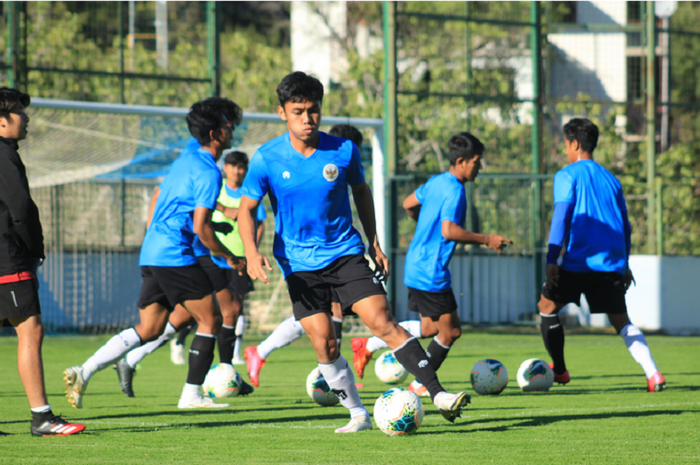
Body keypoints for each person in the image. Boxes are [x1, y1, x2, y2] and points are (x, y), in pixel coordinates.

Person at [238, 71, 471, 433]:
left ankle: (438, 393)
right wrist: (251, 253)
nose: (307, 118)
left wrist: (374, 241)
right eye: (298, 111)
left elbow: (361, 192)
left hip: (345, 252)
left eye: (313, 110)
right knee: (324, 344)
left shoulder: (343, 150)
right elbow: (246, 209)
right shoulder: (266, 158)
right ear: (282, 112)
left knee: (382, 321)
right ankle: (358, 415)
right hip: (298, 263)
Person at [63, 97, 246, 409]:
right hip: (175, 253)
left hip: (151, 251)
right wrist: (230, 256)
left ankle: (84, 370)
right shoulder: (209, 171)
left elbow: (169, 192)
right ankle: (191, 395)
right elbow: (202, 228)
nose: (233, 131)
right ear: (215, 134)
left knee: (150, 328)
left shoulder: (189, 153)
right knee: (211, 318)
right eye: (229, 125)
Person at [351, 132, 512, 396]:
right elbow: (449, 230)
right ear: (461, 161)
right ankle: (419, 386)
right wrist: (487, 239)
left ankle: (368, 345)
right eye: (476, 162)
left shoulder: (436, 182)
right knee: (451, 332)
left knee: (429, 328)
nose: (479, 167)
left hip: (414, 265)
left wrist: (426, 226)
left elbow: (408, 204)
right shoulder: (456, 191)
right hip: (431, 272)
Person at [538, 117, 666, 392]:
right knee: (621, 321)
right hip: (610, 265)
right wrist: (625, 263)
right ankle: (653, 373)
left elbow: (561, 217)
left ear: (574, 144)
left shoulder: (567, 175)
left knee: (546, 308)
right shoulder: (611, 180)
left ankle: (560, 371)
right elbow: (626, 227)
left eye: (566, 144)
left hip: (577, 262)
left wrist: (551, 259)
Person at [243, 124, 362, 388]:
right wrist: (251, 253)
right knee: (326, 314)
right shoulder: (280, 158)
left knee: (322, 315)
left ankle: (261, 352)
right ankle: (334, 371)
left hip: (333, 250)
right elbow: (247, 208)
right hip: (306, 257)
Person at [0, 87, 85, 436]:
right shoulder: (4, 154)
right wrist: (34, 249)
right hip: (8, 257)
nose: (27, 117)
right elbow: (20, 209)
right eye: (20, 111)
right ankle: (42, 417)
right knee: (30, 330)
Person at [170, 150, 268, 366]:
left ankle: (231, 357)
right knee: (201, 309)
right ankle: (178, 341)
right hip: (212, 257)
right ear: (226, 168)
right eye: (233, 166)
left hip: (239, 258)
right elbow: (201, 213)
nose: (237, 171)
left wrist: (252, 251)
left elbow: (260, 223)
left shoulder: (250, 192)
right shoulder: (216, 187)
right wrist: (224, 212)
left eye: (241, 167)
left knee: (235, 306)